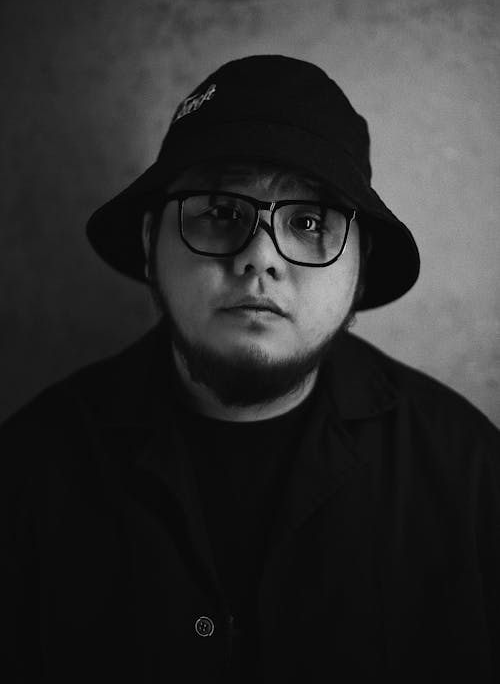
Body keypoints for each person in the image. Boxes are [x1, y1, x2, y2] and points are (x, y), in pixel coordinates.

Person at [1, 55, 499, 683]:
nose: (259, 258)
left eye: (310, 222)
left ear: (362, 266)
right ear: (152, 239)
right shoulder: (27, 477)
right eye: (218, 212)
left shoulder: (468, 477)